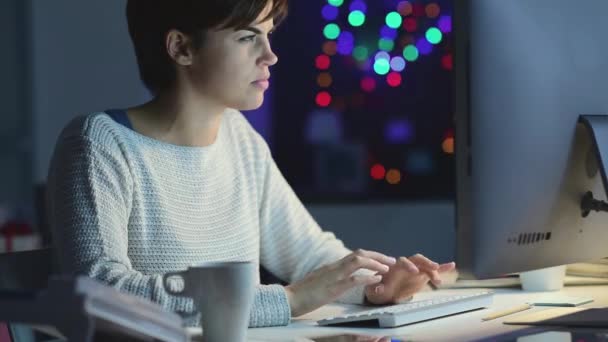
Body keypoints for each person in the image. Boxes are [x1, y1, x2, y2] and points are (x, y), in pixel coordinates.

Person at [46, 0, 456, 327]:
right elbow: (100, 290)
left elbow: (311, 257)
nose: (270, 55)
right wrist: (289, 300)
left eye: (268, 34)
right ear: (181, 48)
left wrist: (376, 285)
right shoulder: (98, 144)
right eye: (247, 37)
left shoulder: (240, 139)